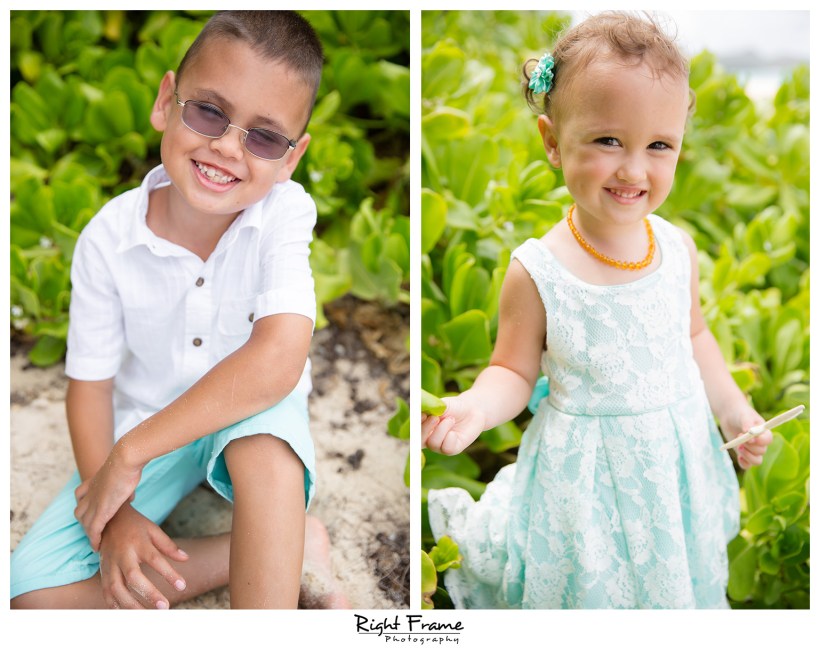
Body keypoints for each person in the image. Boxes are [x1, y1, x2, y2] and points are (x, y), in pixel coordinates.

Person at [422, 11, 773, 609]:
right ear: (553, 143)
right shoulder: (538, 271)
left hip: (671, 471)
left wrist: (734, 411)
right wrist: (474, 410)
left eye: (658, 146)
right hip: (582, 487)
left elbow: (696, 339)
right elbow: (512, 372)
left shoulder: (677, 248)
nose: (634, 169)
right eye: (608, 140)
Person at [11, 10, 348, 610]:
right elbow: (90, 387)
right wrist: (117, 516)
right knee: (32, 600)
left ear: (291, 157)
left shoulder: (284, 214)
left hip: (244, 413)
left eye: (264, 137)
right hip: (150, 417)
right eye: (209, 111)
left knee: (268, 452)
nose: (225, 146)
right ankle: (283, 548)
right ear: (167, 101)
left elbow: (276, 363)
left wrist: (129, 454)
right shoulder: (106, 238)